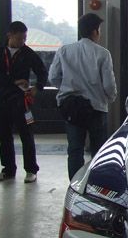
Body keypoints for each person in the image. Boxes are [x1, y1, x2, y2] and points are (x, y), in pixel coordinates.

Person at [49, 13, 117, 180]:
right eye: (99, 29)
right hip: (96, 108)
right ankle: (96, 183)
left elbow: (53, 77)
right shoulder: (103, 53)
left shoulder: (64, 50)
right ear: (95, 31)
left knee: (75, 149)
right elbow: (109, 85)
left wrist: (66, 88)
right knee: (98, 150)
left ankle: (75, 183)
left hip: (72, 107)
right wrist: (110, 98)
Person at [0, 21, 48, 183]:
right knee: (4, 136)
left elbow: (42, 72)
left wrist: (37, 87)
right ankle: (8, 169)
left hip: (22, 101)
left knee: (26, 135)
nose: (22, 41)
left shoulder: (27, 53)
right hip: (2, 99)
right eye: (20, 38)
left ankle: (31, 170)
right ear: (10, 35)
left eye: (25, 38)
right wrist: (14, 81)